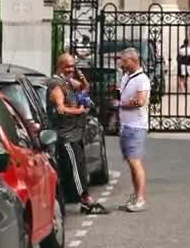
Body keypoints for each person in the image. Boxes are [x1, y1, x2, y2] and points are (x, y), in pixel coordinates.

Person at [48, 53, 108, 214]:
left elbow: (82, 88)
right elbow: (61, 109)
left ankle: (80, 199)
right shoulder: (56, 84)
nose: (71, 69)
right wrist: (79, 111)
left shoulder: (66, 81)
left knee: (80, 167)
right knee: (76, 169)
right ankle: (86, 200)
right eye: (68, 66)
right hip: (66, 135)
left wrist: (81, 78)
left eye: (73, 66)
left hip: (76, 132)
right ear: (60, 66)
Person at [118, 47, 151, 213]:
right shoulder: (126, 77)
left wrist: (122, 104)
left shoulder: (142, 79)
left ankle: (141, 198)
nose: (122, 64)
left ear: (133, 61)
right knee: (131, 163)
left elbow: (141, 101)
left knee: (135, 162)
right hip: (125, 125)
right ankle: (135, 194)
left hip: (136, 126)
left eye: (125, 61)